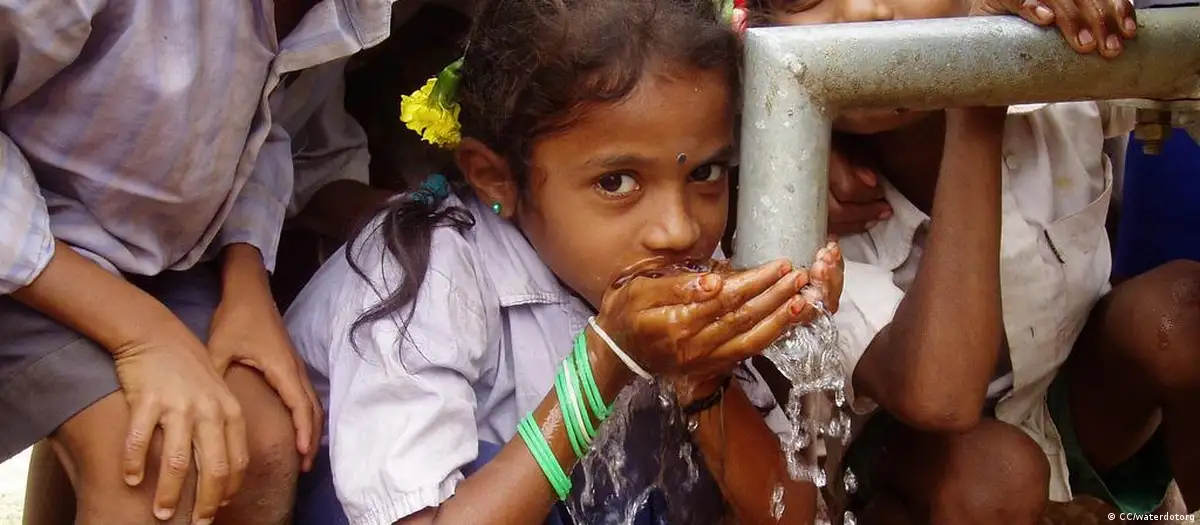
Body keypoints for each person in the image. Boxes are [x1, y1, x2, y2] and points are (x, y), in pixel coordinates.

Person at [283, 0, 847, 524]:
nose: (678, 229)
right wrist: (607, 359)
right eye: (616, 182)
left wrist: (703, 376)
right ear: (496, 178)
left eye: (704, 173)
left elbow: (791, 513)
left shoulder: (686, 264)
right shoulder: (423, 270)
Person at [750, 0, 1200, 523]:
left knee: (1182, 314)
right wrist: (977, 94)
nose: (866, 11)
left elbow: (1176, 57)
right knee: (996, 477)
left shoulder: (1044, 52)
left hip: (1076, 404)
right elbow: (939, 399)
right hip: (919, 463)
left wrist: (1076, 20)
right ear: (759, 27)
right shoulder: (789, 208)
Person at [0, 1, 394, 523]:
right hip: (29, 243)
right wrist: (141, 334)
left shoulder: (337, 13)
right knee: (151, 463)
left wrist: (247, 283)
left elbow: (260, 128)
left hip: (155, 258)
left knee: (261, 446)